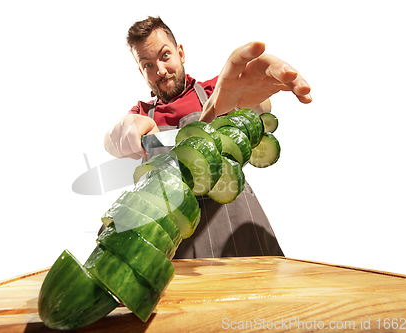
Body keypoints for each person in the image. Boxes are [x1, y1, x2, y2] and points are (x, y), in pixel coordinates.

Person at [103, 16, 311, 259]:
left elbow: (258, 107)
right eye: (147, 65)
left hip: (235, 221)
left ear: (180, 53)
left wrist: (253, 104)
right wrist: (118, 132)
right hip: (174, 238)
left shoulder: (216, 90)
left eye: (165, 55)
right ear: (141, 71)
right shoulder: (140, 112)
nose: (160, 70)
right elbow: (111, 141)